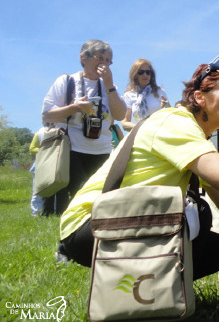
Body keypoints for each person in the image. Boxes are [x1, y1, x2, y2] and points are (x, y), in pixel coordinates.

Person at [58, 63, 219, 281]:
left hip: (120, 220)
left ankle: (147, 291)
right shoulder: (175, 121)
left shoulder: (195, 137)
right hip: (91, 225)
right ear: (200, 98)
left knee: (216, 248)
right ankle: (145, 290)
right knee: (200, 215)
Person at [42, 39, 127, 215]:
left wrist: (109, 85)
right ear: (83, 58)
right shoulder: (67, 82)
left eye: (108, 60)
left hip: (101, 150)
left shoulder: (110, 87)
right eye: (100, 57)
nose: (104, 63)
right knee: (76, 197)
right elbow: (47, 115)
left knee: (99, 200)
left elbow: (119, 116)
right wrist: (75, 107)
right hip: (70, 150)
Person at [121, 59, 170, 131]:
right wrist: (144, 128)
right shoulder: (128, 95)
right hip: (139, 136)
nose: (145, 75)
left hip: (159, 133)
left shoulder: (160, 92)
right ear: (135, 75)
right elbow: (124, 123)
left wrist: (167, 106)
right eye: (141, 72)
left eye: (148, 72)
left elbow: (170, 115)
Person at [29, 126, 47, 216]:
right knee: (37, 191)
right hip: (39, 165)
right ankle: (36, 213)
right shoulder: (40, 132)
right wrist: (46, 150)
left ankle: (52, 212)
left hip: (55, 165)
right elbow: (32, 149)